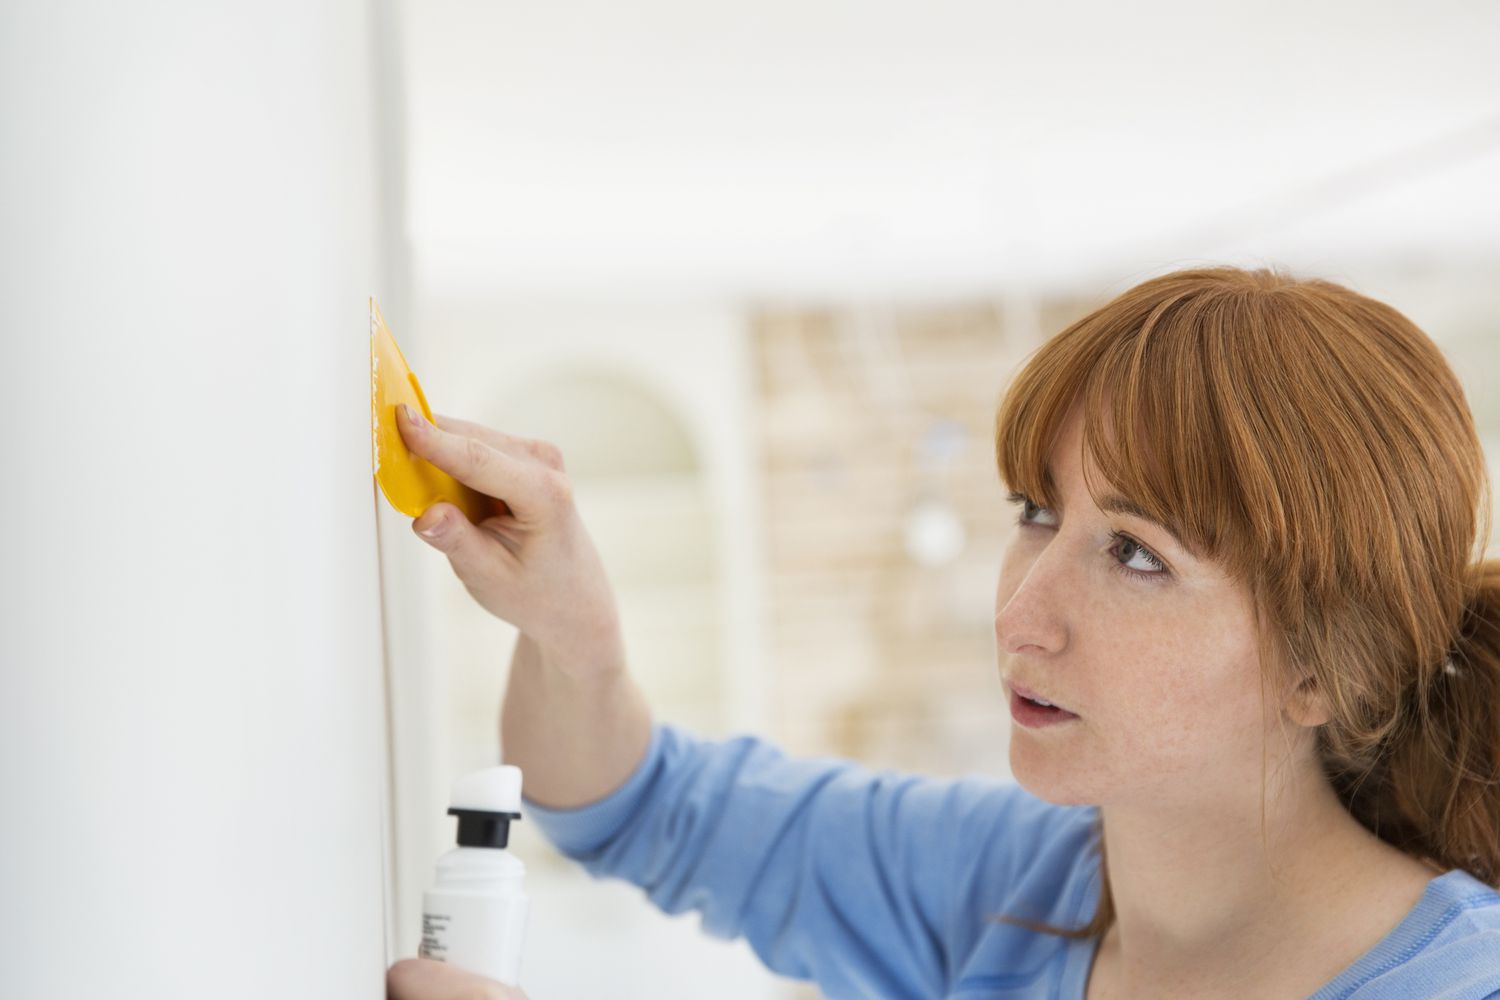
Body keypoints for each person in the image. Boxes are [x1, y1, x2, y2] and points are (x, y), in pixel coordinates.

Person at [386, 267, 1500, 999]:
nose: (1019, 614)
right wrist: (576, 635)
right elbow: (638, 807)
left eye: (1136, 554)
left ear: (1323, 667)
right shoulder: (1015, 883)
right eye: (1038, 514)